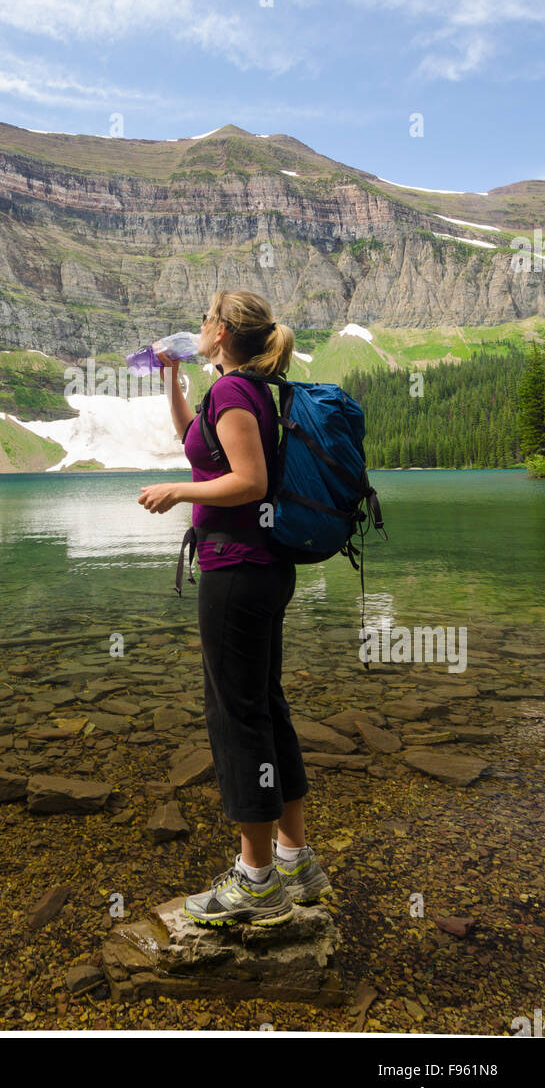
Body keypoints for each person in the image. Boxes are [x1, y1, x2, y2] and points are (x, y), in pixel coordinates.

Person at [137, 289, 332, 927]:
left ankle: (254, 879)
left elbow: (247, 480)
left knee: (235, 717)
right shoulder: (247, 389)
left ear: (221, 331)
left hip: (238, 569)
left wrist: (176, 491)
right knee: (266, 707)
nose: (196, 326)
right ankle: (296, 859)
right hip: (265, 569)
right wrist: (172, 380)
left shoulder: (234, 394)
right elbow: (196, 440)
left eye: (203, 318)